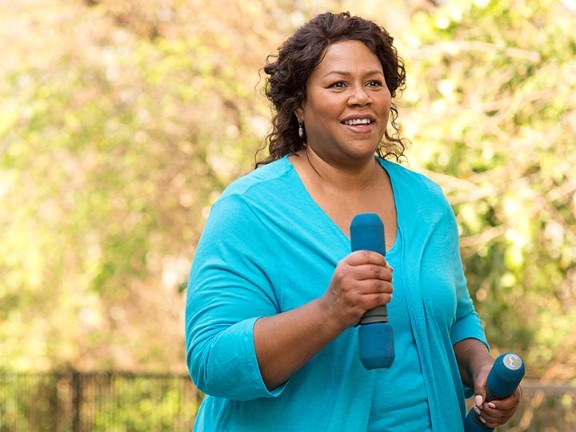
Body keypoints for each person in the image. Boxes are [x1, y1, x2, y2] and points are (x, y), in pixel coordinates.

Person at [184, 11, 521, 432]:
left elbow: (456, 319)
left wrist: (482, 367)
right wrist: (330, 313)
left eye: (373, 82)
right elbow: (212, 361)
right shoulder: (250, 210)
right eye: (338, 84)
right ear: (299, 107)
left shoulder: (426, 202)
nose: (360, 96)